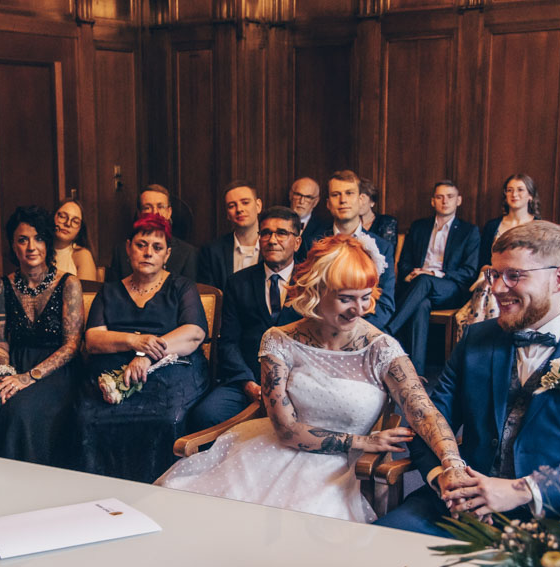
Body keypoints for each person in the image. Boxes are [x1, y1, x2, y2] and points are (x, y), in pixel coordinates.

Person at [157, 235, 464, 521]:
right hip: (273, 452)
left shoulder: (381, 348)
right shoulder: (279, 340)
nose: (358, 310)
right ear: (317, 291)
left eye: (366, 298)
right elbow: (285, 430)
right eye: (346, 298)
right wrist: (363, 441)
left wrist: (452, 464)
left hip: (344, 471)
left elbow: (423, 411)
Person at [375, 221, 560, 537]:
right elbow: (428, 421)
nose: (497, 288)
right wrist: (444, 477)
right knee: (377, 545)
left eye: (514, 275)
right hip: (455, 507)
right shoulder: (476, 339)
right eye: (494, 274)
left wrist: (522, 490)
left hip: (551, 521)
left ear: (559, 278)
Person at [78, 213, 208, 482]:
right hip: (113, 370)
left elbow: (194, 333)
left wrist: (147, 355)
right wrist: (134, 341)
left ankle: (160, 492)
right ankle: (99, 490)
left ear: (167, 254)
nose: (148, 253)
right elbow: (93, 339)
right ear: (128, 248)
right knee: (87, 418)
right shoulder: (109, 291)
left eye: (157, 247)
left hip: (170, 370)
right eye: (141, 245)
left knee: (166, 418)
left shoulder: (181, 287)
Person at [0, 206, 83, 468]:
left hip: (56, 370)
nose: (31, 247)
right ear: (13, 246)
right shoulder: (1, 287)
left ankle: (26, 482)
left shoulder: (69, 284)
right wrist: (4, 371)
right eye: (23, 240)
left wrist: (29, 377)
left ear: (48, 243)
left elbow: (72, 346)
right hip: (14, 362)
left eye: (38, 239)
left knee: (20, 410)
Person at [188, 207, 302, 430]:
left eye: (281, 233)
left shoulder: (312, 282)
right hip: (247, 381)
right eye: (266, 233)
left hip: (298, 382)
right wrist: (248, 383)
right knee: (206, 415)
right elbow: (228, 342)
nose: (272, 240)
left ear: (297, 242)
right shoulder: (238, 282)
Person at [387, 180, 480, 375]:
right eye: (440, 197)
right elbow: (404, 262)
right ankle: (417, 375)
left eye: (450, 197)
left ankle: (388, 330)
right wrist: (411, 274)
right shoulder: (419, 227)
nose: (445, 201)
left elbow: (469, 271)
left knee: (425, 281)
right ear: (433, 201)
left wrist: (431, 274)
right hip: (418, 289)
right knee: (422, 305)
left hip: (450, 288)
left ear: (459, 200)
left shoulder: (469, 231)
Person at [454, 173, 541, 335]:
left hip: (524, 281)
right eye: (510, 190)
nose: (514, 194)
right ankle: (483, 337)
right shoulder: (493, 225)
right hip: (493, 279)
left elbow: (540, 263)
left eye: (520, 190)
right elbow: (482, 262)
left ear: (530, 196)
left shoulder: (538, 226)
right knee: (491, 286)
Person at [320, 170, 396, 329]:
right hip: (322, 329)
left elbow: (385, 305)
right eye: (336, 195)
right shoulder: (313, 243)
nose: (343, 200)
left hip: (366, 329)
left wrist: (355, 332)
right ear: (328, 203)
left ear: (361, 200)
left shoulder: (382, 247)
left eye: (349, 193)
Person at [106, 184, 198, 282]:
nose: (155, 212)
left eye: (160, 207)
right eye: (147, 208)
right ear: (139, 213)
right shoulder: (121, 252)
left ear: (169, 212)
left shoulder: (187, 253)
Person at [197, 180, 262, 291]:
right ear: (227, 214)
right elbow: (210, 296)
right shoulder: (211, 252)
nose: (239, 209)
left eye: (245, 202)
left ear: (258, 206)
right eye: (232, 206)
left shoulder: (274, 246)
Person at [50, 197, 98, 280]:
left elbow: (86, 288)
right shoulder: (38, 250)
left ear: (80, 229)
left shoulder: (83, 255)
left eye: (75, 222)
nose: (68, 223)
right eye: (63, 217)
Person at [288, 176, 326, 256]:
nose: (301, 201)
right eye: (298, 195)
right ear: (291, 195)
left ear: (316, 201)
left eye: (308, 197)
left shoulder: (324, 229)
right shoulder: (276, 221)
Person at [357, 177, 399, 249]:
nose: (359, 203)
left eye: (362, 198)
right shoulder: (347, 224)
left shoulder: (387, 222)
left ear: (372, 202)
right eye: (356, 198)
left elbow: (386, 251)